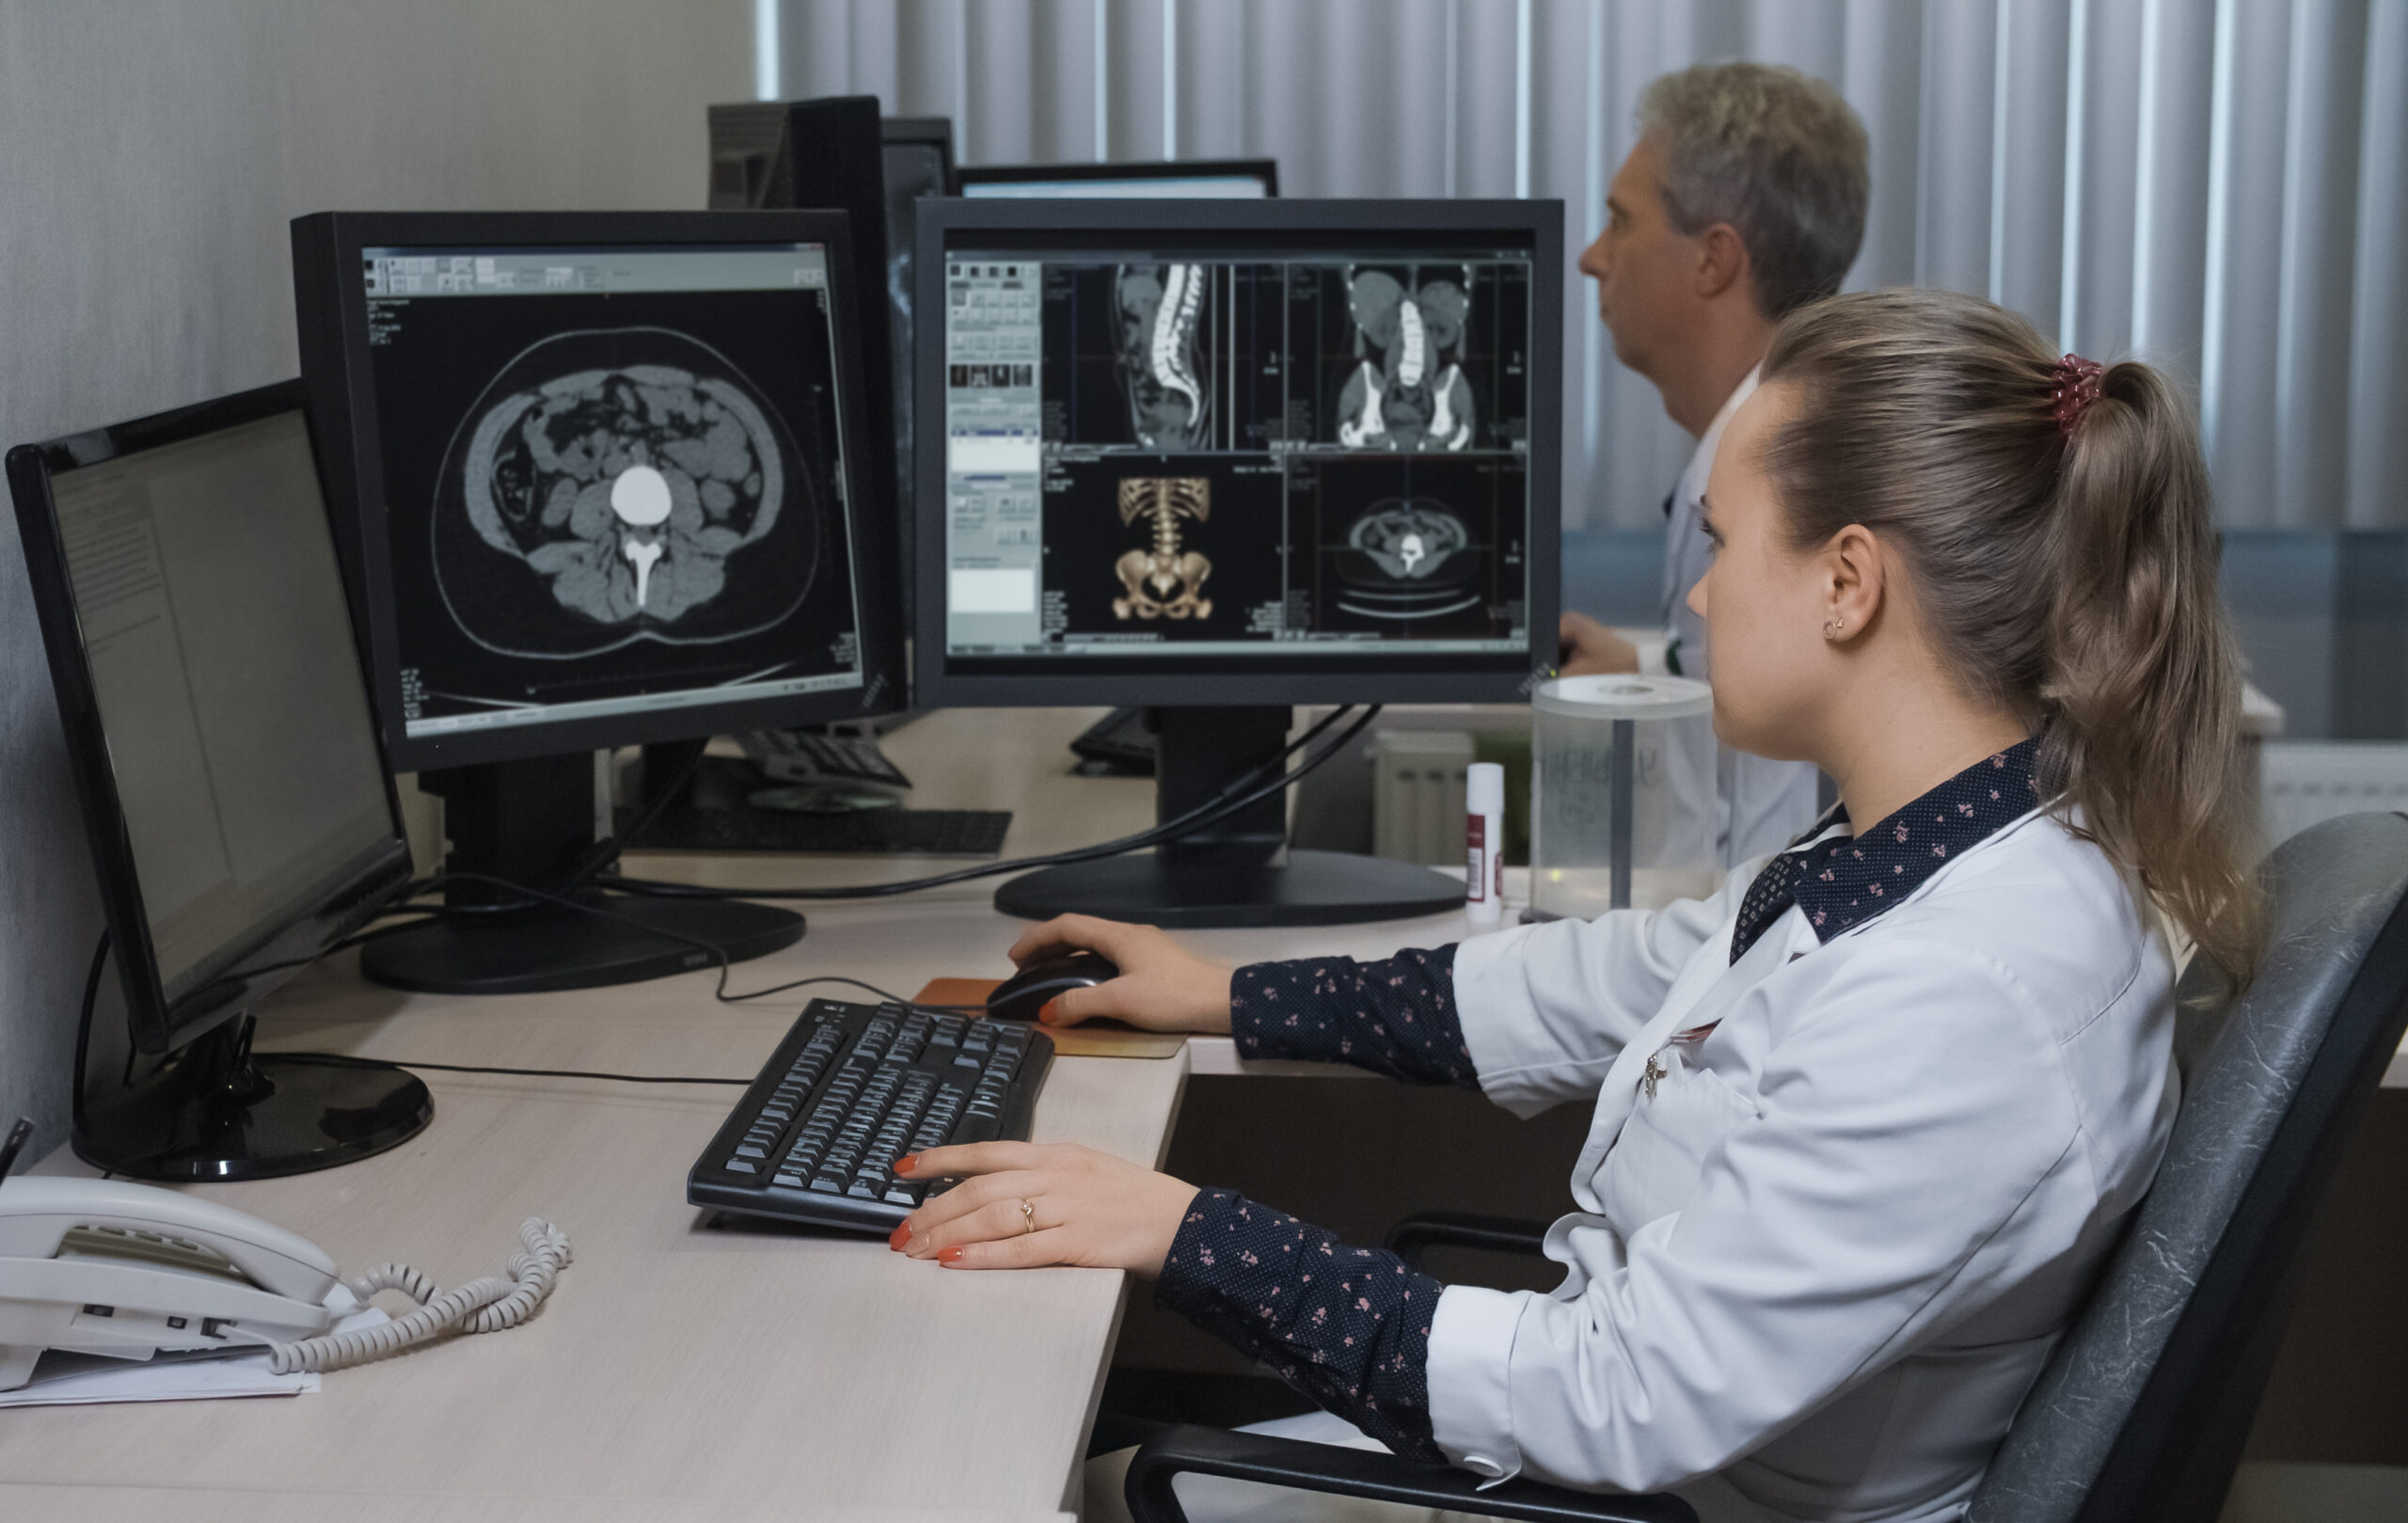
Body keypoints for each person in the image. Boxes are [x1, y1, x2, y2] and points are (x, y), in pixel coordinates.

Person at [885, 289, 2264, 1523]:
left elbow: (1616, 1397)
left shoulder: (1971, 989)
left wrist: (1186, 1228)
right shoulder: (1931, 844)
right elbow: (1603, 976)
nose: (1701, 592)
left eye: (1722, 543)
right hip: (1624, 1462)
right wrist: (1228, 994)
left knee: (1036, 1476)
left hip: (1636, 1484)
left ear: (1849, 581)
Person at [1560, 62, 1870, 863]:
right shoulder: (1782, 445)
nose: (1593, 257)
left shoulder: (1762, 489)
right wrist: (1645, 665)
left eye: (1620, 222)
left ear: (1713, 260)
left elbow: (1751, 848)